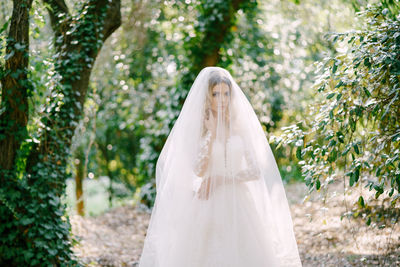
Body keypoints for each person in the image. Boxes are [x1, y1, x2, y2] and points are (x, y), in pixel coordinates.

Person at [138, 66, 302, 267]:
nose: (222, 99)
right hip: (207, 203)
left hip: (239, 202)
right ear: (208, 96)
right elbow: (198, 170)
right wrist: (212, 134)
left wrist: (220, 179)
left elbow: (255, 170)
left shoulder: (239, 126)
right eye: (216, 94)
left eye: (226, 93)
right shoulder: (200, 128)